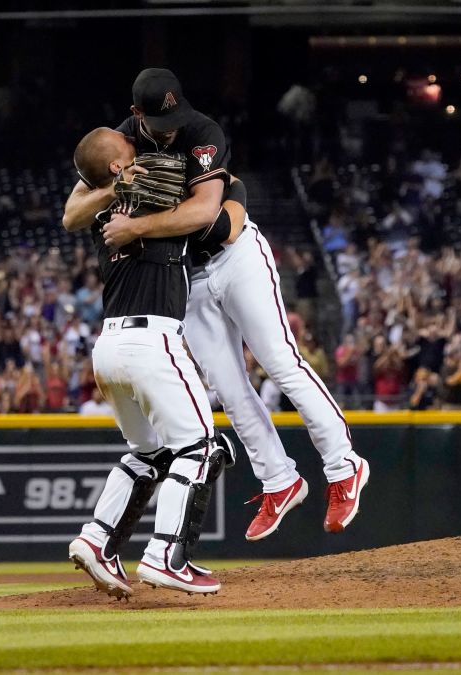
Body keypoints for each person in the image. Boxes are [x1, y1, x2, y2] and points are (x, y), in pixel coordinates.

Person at [73, 68, 368, 542]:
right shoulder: (120, 146)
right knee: (228, 388)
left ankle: (344, 465)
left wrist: (136, 226)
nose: (171, 126)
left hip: (234, 257)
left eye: (175, 114)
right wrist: (116, 186)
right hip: (186, 274)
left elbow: (210, 213)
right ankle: (280, 481)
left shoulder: (202, 131)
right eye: (160, 118)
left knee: (280, 362)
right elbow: (72, 212)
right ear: (136, 115)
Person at [62, 128, 235, 598]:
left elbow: (77, 208)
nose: (134, 145)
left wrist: (114, 187)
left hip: (110, 348)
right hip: (152, 340)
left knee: (150, 454)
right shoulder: (152, 187)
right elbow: (208, 203)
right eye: (125, 150)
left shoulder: (107, 207)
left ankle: (97, 540)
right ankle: (166, 556)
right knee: (201, 450)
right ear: (118, 167)